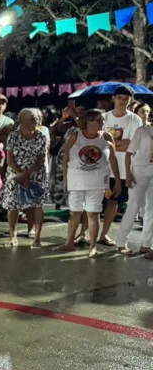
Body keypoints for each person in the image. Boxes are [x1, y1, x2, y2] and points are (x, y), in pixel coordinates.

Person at [59, 109, 120, 257]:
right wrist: (65, 180)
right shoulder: (75, 136)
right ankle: (69, 243)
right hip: (76, 180)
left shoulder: (106, 137)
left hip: (98, 182)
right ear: (88, 121)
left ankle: (93, 246)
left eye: (102, 120)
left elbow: (113, 160)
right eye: (98, 120)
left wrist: (117, 181)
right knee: (75, 213)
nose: (102, 123)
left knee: (93, 214)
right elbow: (65, 158)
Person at [0, 108, 50, 248]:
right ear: (22, 121)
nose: (38, 121)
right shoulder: (13, 136)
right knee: (12, 204)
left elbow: (41, 159)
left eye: (38, 119)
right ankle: (13, 236)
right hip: (16, 171)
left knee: (37, 205)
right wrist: (20, 174)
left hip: (35, 172)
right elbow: (9, 159)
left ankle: (37, 238)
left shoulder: (42, 136)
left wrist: (27, 175)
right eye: (33, 119)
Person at [100, 85, 143, 246]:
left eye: (126, 99)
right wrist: (120, 143)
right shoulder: (103, 117)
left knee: (113, 201)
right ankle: (83, 233)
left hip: (123, 168)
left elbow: (133, 144)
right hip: (102, 165)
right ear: (113, 99)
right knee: (95, 201)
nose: (122, 101)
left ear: (130, 100)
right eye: (119, 98)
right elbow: (98, 141)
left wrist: (110, 144)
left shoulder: (134, 119)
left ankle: (103, 235)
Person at [117, 103, 153, 256]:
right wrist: (128, 174)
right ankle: (121, 243)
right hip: (139, 172)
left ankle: (146, 245)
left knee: (152, 210)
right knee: (134, 206)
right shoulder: (142, 131)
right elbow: (128, 153)